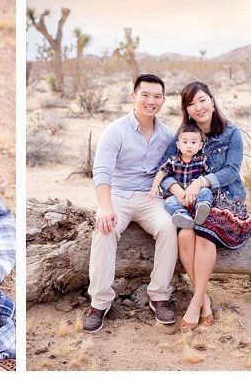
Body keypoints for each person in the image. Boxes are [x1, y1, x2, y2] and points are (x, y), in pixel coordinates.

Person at [84, 74, 178, 333]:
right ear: (133, 96)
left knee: (170, 228)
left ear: (163, 100)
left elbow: (172, 169)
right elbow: (101, 171)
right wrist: (105, 207)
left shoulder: (167, 135)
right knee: (105, 230)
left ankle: (159, 296)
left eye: (157, 96)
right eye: (145, 95)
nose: (151, 101)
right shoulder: (116, 130)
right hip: (119, 196)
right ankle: (99, 302)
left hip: (151, 198)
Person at [160, 81, 251, 331]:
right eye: (191, 103)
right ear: (186, 110)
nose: (198, 107)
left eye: (202, 100)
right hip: (190, 201)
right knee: (185, 236)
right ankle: (205, 299)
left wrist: (200, 182)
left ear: (212, 101)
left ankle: (196, 303)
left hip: (226, 198)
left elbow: (232, 171)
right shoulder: (182, 135)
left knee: (204, 236)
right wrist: (178, 190)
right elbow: (164, 169)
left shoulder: (231, 133)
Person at [148, 123, 213, 228]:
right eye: (185, 142)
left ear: (200, 145)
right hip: (178, 197)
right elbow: (162, 171)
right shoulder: (173, 160)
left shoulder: (202, 160)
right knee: (169, 202)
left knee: (206, 192)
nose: (189, 145)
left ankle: (202, 207)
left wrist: (200, 187)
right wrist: (154, 186)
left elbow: (207, 176)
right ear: (178, 145)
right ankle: (182, 215)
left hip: (196, 195)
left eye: (193, 142)